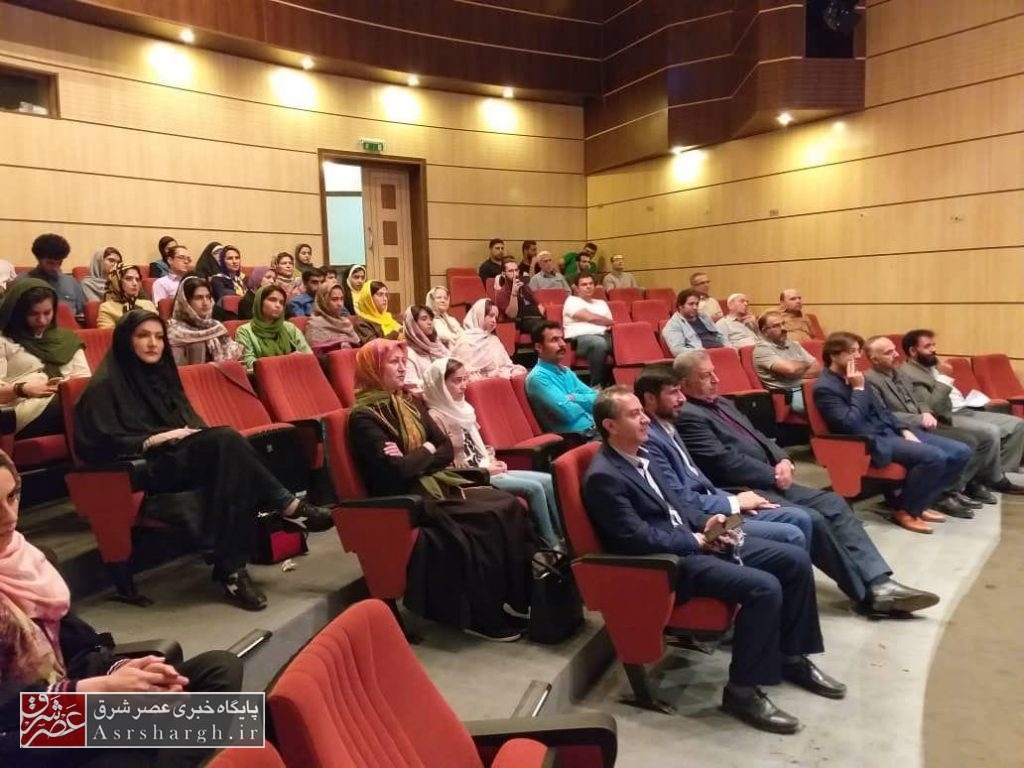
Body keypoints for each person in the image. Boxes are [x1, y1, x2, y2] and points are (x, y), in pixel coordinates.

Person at [583, 386, 844, 734]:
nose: (645, 418)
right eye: (634, 414)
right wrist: (696, 540)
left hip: (696, 539)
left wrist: (713, 524)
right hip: (671, 563)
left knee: (794, 559)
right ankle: (742, 692)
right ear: (610, 426)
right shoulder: (604, 476)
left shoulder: (643, 455)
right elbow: (635, 538)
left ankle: (791, 657)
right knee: (764, 588)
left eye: (641, 411)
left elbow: (681, 505)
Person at [0, 450, 245, 768]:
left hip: (74, 708)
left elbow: (79, 651)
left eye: (11, 496)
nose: (9, 516)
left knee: (219, 669)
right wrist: (93, 693)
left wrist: (123, 671)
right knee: (150, 739)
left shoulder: (26, 559)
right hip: (23, 736)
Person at [73, 311, 333, 610]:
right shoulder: (105, 386)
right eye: (143, 336)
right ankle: (287, 507)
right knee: (227, 441)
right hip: (142, 468)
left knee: (231, 460)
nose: (153, 344)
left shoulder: (163, 376)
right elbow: (96, 445)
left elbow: (191, 424)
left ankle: (232, 571)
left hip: (178, 458)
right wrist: (150, 440)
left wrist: (188, 435)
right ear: (125, 340)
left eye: (159, 337)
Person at [673, 349, 941, 615]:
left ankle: (879, 579)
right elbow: (723, 462)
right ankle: (868, 592)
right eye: (706, 376)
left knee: (833, 502)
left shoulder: (721, 402)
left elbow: (760, 436)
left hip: (771, 478)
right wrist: (772, 474)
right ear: (684, 383)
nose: (716, 380)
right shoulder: (688, 415)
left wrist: (783, 459)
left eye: (714, 373)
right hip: (743, 489)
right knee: (813, 519)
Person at [346, 340, 534, 641]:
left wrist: (420, 453)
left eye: (404, 361)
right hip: (406, 499)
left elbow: (445, 447)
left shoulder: (408, 401)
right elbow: (398, 471)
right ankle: (480, 615)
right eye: (393, 362)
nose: (403, 367)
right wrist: (427, 450)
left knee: (507, 504)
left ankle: (511, 599)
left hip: (435, 483)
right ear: (372, 369)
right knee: (487, 519)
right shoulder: (363, 417)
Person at [635, 370, 812, 550]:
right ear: (650, 398)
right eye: (673, 392)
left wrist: (737, 500)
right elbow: (679, 497)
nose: (682, 398)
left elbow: (701, 482)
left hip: (716, 503)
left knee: (798, 517)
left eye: (681, 391)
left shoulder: (667, 426)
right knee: (791, 533)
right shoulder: (650, 439)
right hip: (704, 521)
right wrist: (734, 503)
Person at [813, 332, 971, 534]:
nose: (858, 356)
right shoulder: (826, 387)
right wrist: (858, 390)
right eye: (851, 352)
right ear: (834, 355)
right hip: (868, 440)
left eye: (858, 351)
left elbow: (883, 411)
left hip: (890, 431)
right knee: (934, 457)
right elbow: (849, 424)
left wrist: (904, 429)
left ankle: (920, 503)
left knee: (961, 452)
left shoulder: (857, 377)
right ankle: (906, 511)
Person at [423, 357, 564, 547]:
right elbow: (444, 464)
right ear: (440, 384)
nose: (464, 385)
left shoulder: (464, 408)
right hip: (471, 476)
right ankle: (550, 544)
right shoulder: (436, 417)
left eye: (465, 379)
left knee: (547, 480)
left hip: (487, 467)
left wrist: (491, 459)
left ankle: (563, 537)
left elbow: (479, 445)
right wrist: (485, 470)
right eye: (457, 381)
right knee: (534, 488)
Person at [864, 335, 987, 518]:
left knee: (963, 449)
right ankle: (924, 501)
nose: (896, 354)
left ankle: (933, 497)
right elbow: (884, 414)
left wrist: (926, 412)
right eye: (888, 353)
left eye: (894, 350)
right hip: (902, 428)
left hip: (921, 423)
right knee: (958, 446)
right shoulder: (869, 380)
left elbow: (919, 400)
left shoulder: (899, 373)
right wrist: (918, 418)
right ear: (874, 359)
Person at [900, 329, 1024, 496]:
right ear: (913, 351)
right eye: (927, 346)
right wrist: (944, 378)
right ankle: (983, 480)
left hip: (966, 407)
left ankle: (994, 476)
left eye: (934, 345)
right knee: (990, 431)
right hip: (947, 416)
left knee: (1018, 425)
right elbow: (931, 407)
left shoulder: (933, 365)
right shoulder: (909, 374)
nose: (934, 350)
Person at [0, 281, 89, 437]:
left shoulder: (67, 339)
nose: (42, 320)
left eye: (47, 313)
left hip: (68, 400)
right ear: (19, 313)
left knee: (99, 396)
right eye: (33, 314)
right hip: (24, 409)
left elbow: (84, 380)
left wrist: (66, 386)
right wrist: (22, 389)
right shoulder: (4, 341)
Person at [525, 322, 597, 437]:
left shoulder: (567, 372)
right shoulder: (537, 378)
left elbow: (598, 400)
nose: (562, 344)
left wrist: (573, 397)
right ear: (539, 347)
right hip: (577, 437)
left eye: (562, 339)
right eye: (554, 340)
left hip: (594, 429)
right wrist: (585, 402)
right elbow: (567, 413)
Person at [752, 310, 820, 414]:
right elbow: (791, 370)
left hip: (810, 388)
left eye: (783, 324)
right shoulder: (762, 349)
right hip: (790, 395)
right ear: (765, 331)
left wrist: (796, 372)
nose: (784, 328)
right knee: (832, 403)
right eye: (777, 326)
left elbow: (818, 368)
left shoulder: (793, 344)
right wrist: (806, 365)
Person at [166, 276, 243, 366]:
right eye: (198, 298)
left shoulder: (216, 327)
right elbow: (177, 369)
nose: (205, 302)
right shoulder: (174, 332)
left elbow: (233, 358)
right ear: (186, 302)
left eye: (208, 297)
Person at [235, 285, 313, 370]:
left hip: (294, 373)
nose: (278, 305)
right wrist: (288, 361)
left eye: (281, 302)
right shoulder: (244, 331)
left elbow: (309, 356)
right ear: (260, 302)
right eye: (272, 300)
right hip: (263, 377)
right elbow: (250, 364)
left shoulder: (290, 328)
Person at [451, 299, 527, 382]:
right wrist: (491, 375)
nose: (494, 321)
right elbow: (462, 374)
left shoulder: (494, 339)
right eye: (491, 316)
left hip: (499, 382)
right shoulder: (465, 340)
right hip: (479, 385)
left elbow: (506, 365)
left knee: (519, 373)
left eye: (496, 318)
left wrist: (510, 372)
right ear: (480, 315)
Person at [16, 234, 86, 319]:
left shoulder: (71, 282)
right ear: (38, 259)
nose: (55, 268)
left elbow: (82, 314)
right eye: (50, 263)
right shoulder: (21, 283)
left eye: (59, 263)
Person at [562, 274, 612, 386]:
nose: (588, 286)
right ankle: (597, 385)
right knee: (598, 343)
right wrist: (602, 320)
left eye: (591, 284)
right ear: (576, 288)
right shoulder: (572, 301)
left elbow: (609, 323)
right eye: (584, 284)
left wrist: (604, 321)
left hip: (604, 335)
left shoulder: (601, 303)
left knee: (624, 342)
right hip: (580, 339)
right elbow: (590, 318)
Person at [661, 288, 724, 354]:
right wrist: (703, 352)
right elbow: (677, 350)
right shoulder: (673, 325)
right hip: (702, 356)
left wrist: (728, 347)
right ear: (680, 306)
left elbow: (719, 335)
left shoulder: (703, 316)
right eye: (691, 304)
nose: (695, 307)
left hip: (721, 351)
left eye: (697, 304)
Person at [403, 305, 449, 394]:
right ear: (412, 324)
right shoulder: (409, 353)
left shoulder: (438, 346)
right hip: (428, 397)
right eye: (424, 319)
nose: (430, 322)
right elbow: (411, 384)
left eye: (431, 319)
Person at [304, 282, 362, 353]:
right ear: (323, 301)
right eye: (334, 299)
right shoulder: (315, 324)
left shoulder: (346, 322)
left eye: (341, 299)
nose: (340, 304)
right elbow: (315, 355)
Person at [96, 264, 157, 329]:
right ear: (116, 281)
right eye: (129, 279)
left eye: (137, 279)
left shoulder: (148, 304)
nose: (135, 283)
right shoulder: (107, 308)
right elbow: (108, 334)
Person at [495, 257, 545, 336]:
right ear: (503, 274)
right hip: (519, 321)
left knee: (552, 324)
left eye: (516, 270)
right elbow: (512, 315)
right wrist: (514, 293)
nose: (515, 274)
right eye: (511, 271)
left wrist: (544, 313)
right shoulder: (502, 293)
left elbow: (536, 303)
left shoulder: (524, 286)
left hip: (534, 316)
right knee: (542, 327)